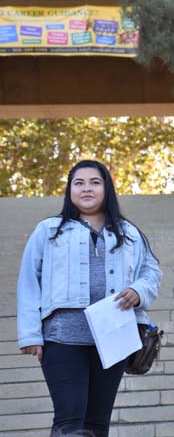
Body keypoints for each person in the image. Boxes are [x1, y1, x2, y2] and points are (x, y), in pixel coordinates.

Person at [17, 160, 163, 437]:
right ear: (69, 190)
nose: (87, 188)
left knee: (98, 421)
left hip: (114, 337)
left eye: (95, 182)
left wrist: (139, 291)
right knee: (69, 418)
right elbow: (28, 282)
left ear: (107, 188)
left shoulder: (129, 233)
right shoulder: (48, 230)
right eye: (79, 183)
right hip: (62, 338)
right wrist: (30, 334)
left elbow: (151, 271)